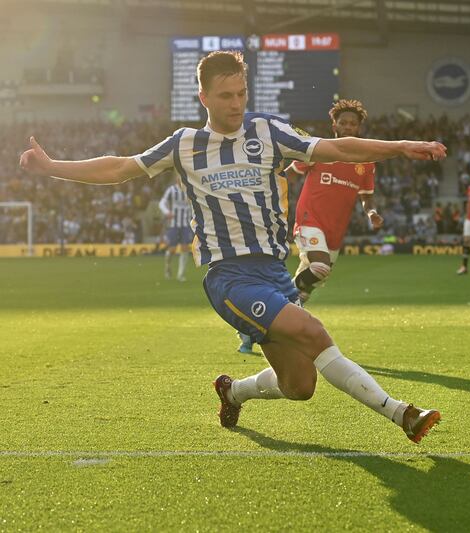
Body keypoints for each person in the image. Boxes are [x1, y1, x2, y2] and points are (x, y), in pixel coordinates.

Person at [19, 50, 445, 444]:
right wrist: (52, 166)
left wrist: (401, 146)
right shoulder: (184, 144)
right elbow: (118, 168)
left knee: (300, 386)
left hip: (275, 274)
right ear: (203, 96)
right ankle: (401, 414)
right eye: (225, 95)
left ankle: (233, 390)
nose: (236, 103)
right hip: (231, 277)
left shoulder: (268, 132)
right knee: (314, 333)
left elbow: (337, 148)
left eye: (242, 92)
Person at [285, 98, 382, 303]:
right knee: (319, 268)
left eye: (352, 124)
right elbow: (289, 175)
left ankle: (278, 318)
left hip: (335, 231)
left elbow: (367, 197)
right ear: (334, 125)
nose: (348, 127)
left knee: (308, 289)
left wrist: (371, 212)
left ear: (358, 128)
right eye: (343, 122)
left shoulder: (366, 162)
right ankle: (281, 295)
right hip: (308, 220)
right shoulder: (318, 149)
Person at [158, 172, 193, 281]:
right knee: (172, 249)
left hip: (186, 224)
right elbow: (162, 202)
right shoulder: (172, 190)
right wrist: (167, 212)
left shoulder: (190, 190)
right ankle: (167, 267)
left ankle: (180, 275)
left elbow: (193, 204)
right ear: (176, 179)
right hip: (174, 224)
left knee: (185, 248)